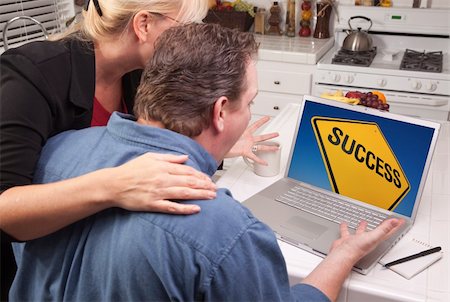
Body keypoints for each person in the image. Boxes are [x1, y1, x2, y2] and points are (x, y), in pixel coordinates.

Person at [10, 23, 404, 302]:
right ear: (219, 112)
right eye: (249, 103)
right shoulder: (226, 231)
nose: (249, 112)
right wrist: (342, 255)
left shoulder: (55, 154)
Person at [0, 0, 278, 298]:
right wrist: (115, 184)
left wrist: (221, 143)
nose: (191, 38)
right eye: (184, 27)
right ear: (143, 24)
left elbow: (154, 137)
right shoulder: (32, 75)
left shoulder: (140, 72)